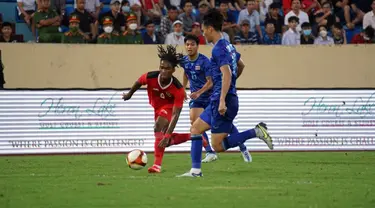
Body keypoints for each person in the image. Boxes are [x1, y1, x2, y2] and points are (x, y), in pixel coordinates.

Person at [178, 9, 274, 177]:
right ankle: (195, 171)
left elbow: (227, 73)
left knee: (218, 146)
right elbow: (241, 65)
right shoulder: (228, 45)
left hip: (222, 100)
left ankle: (256, 131)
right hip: (221, 97)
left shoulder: (218, 49)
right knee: (195, 129)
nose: (202, 34)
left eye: (203, 30)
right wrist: (230, 87)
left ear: (209, 29)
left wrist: (223, 98)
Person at [182, 34, 252, 163]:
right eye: (187, 44)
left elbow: (211, 82)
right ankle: (209, 152)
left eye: (192, 44)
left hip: (210, 95)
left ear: (198, 46)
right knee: (194, 124)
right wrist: (183, 88)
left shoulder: (205, 61)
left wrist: (200, 92)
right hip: (197, 98)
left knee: (227, 126)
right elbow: (186, 72)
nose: (189, 47)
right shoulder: (185, 61)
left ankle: (242, 145)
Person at [122, 45, 191, 173]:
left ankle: (157, 165)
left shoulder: (178, 88)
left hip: (169, 109)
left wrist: (168, 133)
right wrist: (129, 95)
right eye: (162, 67)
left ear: (173, 70)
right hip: (157, 108)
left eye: (167, 68)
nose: (163, 71)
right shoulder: (150, 77)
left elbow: (176, 114)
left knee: (157, 128)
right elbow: (138, 82)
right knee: (165, 140)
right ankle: (192, 136)